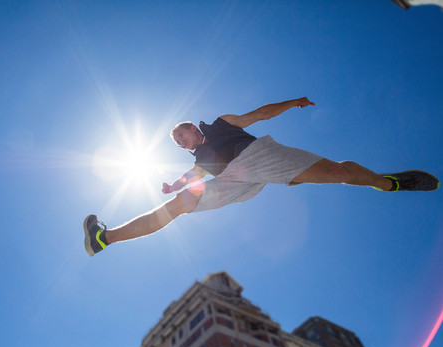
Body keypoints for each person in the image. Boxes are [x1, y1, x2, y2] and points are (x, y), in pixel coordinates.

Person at [83, 97, 439, 257]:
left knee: (339, 171)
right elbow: (187, 177)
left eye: (182, 133)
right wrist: (173, 186)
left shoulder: (221, 124)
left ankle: (387, 182)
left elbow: (259, 114)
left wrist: (292, 102)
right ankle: (104, 239)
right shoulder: (200, 160)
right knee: (179, 204)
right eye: (177, 140)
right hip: (237, 181)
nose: (180, 139)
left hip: (259, 156)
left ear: (194, 126)